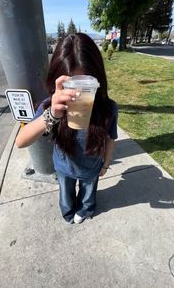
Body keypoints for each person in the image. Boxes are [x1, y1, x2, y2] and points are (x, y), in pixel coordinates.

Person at [15, 33, 118, 224]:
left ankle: (86, 210)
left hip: (91, 168)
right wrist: (52, 114)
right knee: (66, 197)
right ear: (58, 80)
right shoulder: (51, 106)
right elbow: (21, 141)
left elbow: (110, 138)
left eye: (86, 84)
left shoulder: (107, 108)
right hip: (63, 167)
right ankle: (68, 212)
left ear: (97, 80)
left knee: (88, 196)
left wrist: (105, 164)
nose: (78, 93)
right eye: (71, 84)